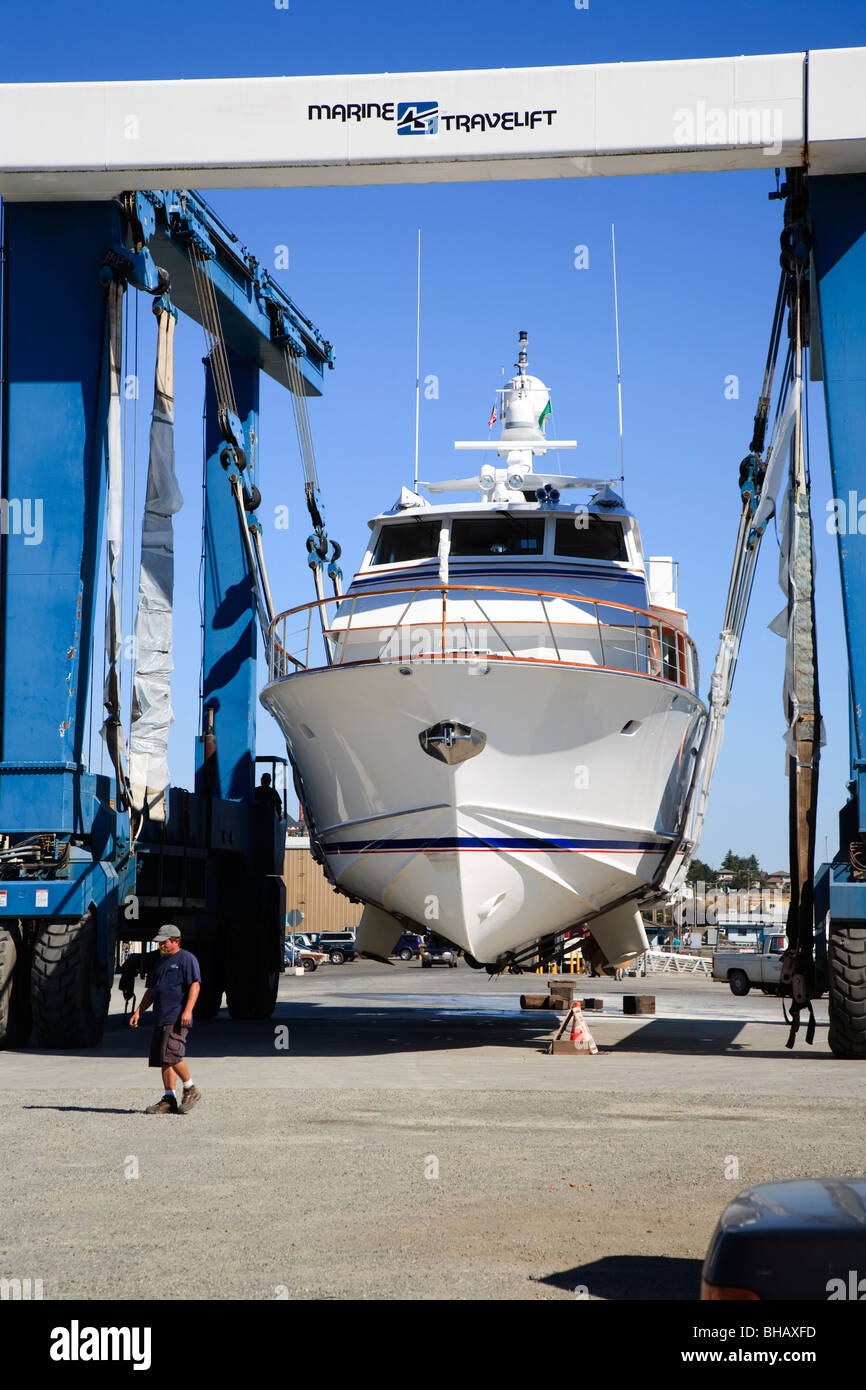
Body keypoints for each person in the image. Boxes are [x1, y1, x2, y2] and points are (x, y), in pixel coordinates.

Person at [130, 924, 201, 1115]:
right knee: (164, 1059)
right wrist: (139, 1011)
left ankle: (190, 1088)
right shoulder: (160, 962)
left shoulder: (186, 959)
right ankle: (169, 1098)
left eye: (164, 942)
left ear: (176, 941)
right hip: (160, 1017)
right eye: (159, 942)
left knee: (172, 1054)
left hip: (176, 1016)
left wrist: (188, 1010)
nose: (161, 945)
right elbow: (152, 990)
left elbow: (195, 985)